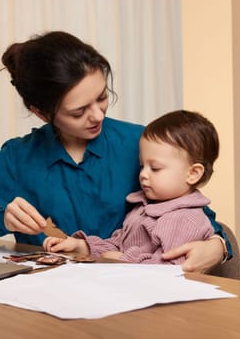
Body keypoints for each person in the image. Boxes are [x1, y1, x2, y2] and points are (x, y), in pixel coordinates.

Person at [0, 31, 230, 272]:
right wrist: (1, 216)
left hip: (135, 302)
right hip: (46, 307)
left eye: (102, 98)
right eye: (78, 111)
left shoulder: (138, 144)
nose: (97, 115)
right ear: (42, 113)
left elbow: (193, 214)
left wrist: (218, 245)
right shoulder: (18, 158)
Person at [43, 110, 219, 264]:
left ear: (193, 173)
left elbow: (168, 270)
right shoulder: (143, 206)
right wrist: (82, 246)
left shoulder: (185, 220)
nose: (143, 174)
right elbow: (119, 244)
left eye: (155, 168)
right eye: (142, 166)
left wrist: (123, 260)